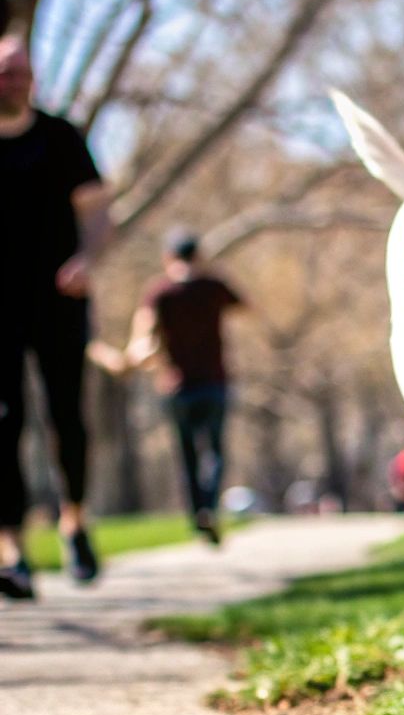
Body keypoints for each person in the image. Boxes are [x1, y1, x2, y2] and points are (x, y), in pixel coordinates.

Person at [0, 34, 112, 598]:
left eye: (18, 72)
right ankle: (12, 552)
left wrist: (85, 259)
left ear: (32, 79)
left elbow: (96, 212)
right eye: (3, 73)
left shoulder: (61, 137)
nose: (11, 81)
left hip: (58, 300)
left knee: (66, 416)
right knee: (3, 422)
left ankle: (74, 521)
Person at [93, 230, 245, 544]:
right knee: (214, 450)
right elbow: (247, 306)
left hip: (177, 387)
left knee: (187, 453)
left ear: (167, 259)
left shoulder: (160, 292)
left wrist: (133, 354)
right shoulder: (213, 286)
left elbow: (143, 334)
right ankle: (209, 506)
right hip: (214, 384)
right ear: (198, 255)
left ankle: (197, 514)